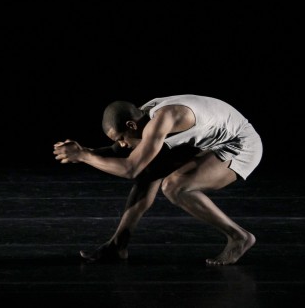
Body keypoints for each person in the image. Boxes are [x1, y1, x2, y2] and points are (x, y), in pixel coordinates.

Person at [53, 94, 262, 266]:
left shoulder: (164, 119)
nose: (123, 144)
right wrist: (86, 151)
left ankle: (239, 237)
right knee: (149, 171)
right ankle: (118, 246)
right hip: (210, 139)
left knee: (175, 187)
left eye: (121, 138)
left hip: (240, 144)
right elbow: (121, 151)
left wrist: (83, 157)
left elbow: (131, 169)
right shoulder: (143, 116)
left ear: (130, 125)